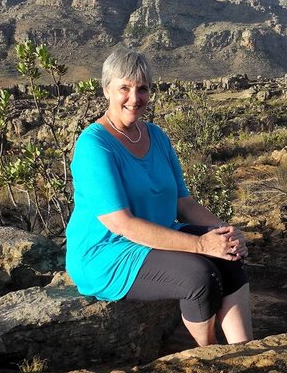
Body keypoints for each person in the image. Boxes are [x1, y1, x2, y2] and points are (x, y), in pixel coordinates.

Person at [66, 46, 252, 347]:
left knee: (228, 257)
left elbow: (184, 204)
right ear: (106, 90)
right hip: (109, 251)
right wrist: (201, 244)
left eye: (142, 89)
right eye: (124, 88)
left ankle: (245, 350)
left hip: (159, 235)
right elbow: (122, 224)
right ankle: (212, 357)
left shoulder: (156, 136)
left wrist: (225, 231)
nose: (134, 98)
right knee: (199, 276)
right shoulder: (94, 146)